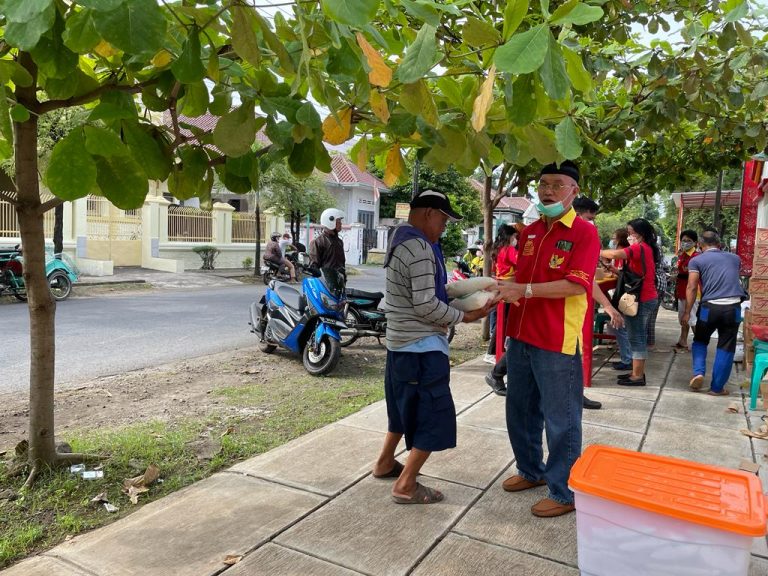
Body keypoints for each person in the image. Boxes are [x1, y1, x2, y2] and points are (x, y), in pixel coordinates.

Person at [373, 189, 494, 504]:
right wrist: (467, 316)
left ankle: (385, 462)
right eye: (442, 220)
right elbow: (426, 303)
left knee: (402, 410)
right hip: (421, 348)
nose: (443, 228)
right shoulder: (419, 248)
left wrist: (465, 289)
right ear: (428, 213)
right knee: (433, 415)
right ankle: (406, 485)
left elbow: (429, 291)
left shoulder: (401, 240)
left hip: (401, 346)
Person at [496, 160, 600, 518]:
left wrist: (522, 288)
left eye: (557, 184)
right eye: (543, 184)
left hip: (556, 338)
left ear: (574, 191)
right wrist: (497, 288)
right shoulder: (530, 231)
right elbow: (516, 278)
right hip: (521, 333)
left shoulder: (585, 232)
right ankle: (531, 471)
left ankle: (565, 491)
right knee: (519, 409)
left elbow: (575, 284)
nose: (548, 191)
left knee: (562, 418)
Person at [572, 197, 624, 410]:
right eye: (589, 217)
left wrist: (608, 306)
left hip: (571, 309)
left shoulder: (582, 237)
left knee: (572, 354)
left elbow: (587, 278)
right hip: (550, 307)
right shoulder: (557, 234)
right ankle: (498, 372)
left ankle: (576, 394)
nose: (592, 223)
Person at [682, 230, 746, 395]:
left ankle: (698, 373)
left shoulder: (696, 260)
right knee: (726, 346)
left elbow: (691, 286)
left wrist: (687, 312)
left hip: (709, 308)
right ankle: (717, 388)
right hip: (733, 308)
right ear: (719, 244)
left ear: (700, 245)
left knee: (700, 340)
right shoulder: (735, 258)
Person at [600, 218, 660, 386]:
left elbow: (613, 254)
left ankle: (638, 376)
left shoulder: (639, 248)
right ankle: (635, 372)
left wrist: (596, 250)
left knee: (637, 338)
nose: (629, 235)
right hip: (645, 297)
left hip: (641, 299)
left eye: (630, 232)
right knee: (636, 336)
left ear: (639, 233)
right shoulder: (647, 248)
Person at [604, 228, 633, 371]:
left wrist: (615, 271)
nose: (612, 239)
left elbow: (625, 273)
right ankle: (627, 358)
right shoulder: (628, 251)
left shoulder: (623, 252)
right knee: (621, 326)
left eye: (614, 237)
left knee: (620, 325)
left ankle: (627, 359)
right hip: (623, 293)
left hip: (624, 294)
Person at [673, 229, 700, 351]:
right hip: (681, 289)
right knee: (683, 317)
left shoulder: (696, 257)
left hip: (693, 291)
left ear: (695, 242)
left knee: (692, 318)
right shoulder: (683, 255)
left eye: (688, 241)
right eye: (683, 241)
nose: (685, 243)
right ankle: (682, 340)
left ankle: (699, 343)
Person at [309, 208, 346, 278]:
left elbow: (342, 263)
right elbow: (314, 265)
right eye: (338, 221)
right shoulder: (318, 242)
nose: (341, 223)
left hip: (338, 282)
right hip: (325, 281)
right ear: (330, 221)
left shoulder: (339, 242)